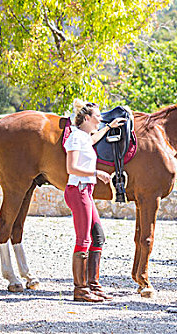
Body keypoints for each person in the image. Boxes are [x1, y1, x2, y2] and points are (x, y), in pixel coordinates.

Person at [64, 98, 125, 302]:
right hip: (78, 190)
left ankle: (93, 285)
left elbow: (92, 140)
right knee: (84, 239)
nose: (100, 120)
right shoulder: (75, 138)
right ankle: (80, 290)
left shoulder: (83, 136)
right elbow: (71, 168)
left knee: (97, 236)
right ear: (87, 118)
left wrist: (109, 127)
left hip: (85, 191)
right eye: (98, 117)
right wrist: (96, 172)